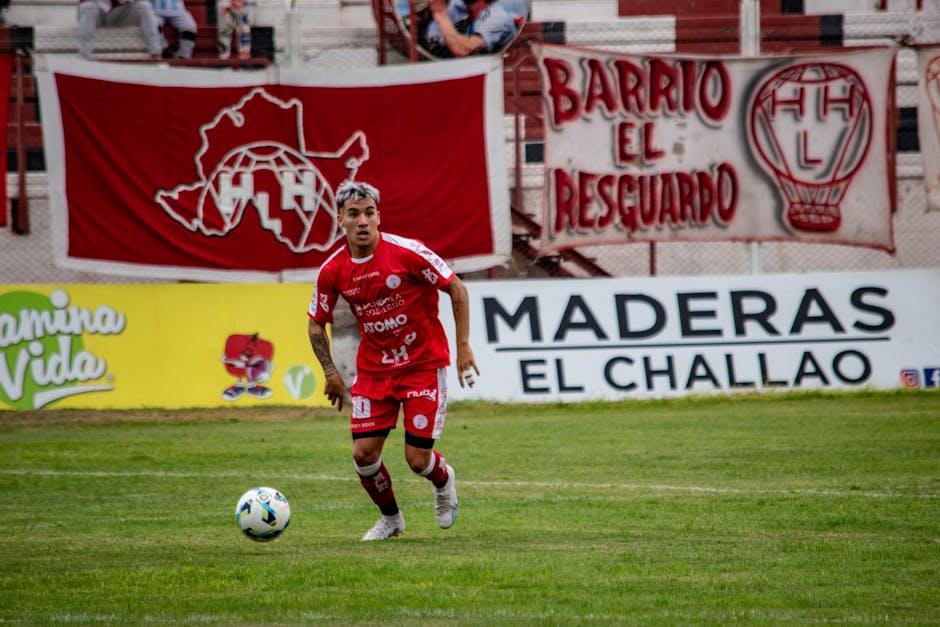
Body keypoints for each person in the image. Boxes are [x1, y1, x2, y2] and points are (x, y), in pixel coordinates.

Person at [307, 180, 479, 542]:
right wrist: (329, 371)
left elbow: (456, 287)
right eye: (354, 214)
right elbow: (314, 324)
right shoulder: (332, 270)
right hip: (374, 371)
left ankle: (444, 480)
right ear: (341, 219)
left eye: (369, 212)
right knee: (363, 455)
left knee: (417, 461)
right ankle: (392, 520)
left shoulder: (407, 252)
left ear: (378, 216)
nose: (363, 221)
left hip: (421, 366)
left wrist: (463, 346)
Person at [424, 0, 526, 57]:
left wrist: (440, 15)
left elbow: (465, 50)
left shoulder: (500, 16)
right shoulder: (459, 7)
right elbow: (433, 41)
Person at [78, 0, 163, 60]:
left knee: (144, 6)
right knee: (88, 7)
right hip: (97, 14)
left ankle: (155, 52)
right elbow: (83, 4)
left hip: (118, 13)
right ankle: (85, 56)